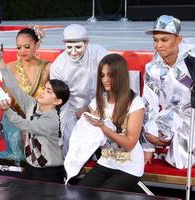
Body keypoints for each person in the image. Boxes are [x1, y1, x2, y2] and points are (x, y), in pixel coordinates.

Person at [0, 40, 70, 183]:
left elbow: (25, 125)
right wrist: (0, 60)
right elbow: (14, 86)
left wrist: (7, 110)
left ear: (57, 101)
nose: (43, 92)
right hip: (32, 167)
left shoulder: (52, 120)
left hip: (50, 172)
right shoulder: (32, 105)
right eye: (45, 88)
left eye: (49, 91)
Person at [69, 53, 144, 191]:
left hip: (129, 167)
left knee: (104, 196)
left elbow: (129, 144)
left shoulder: (135, 102)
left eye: (110, 75)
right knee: (79, 193)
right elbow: (88, 121)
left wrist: (103, 127)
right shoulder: (99, 101)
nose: (105, 80)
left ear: (120, 75)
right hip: (105, 162)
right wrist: (83, 114)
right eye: (102, 75)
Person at [142, 15, 195, 169]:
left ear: (178, 39)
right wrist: (148, 146)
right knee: (150, 132)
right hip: (172, 117)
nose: (159, 45)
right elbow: (148, 104)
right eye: (155, 40)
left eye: (164, 40)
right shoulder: (152, 69)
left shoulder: (192, 59)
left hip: (193, 116)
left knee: (180, 163)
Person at [0, 25, 51, 163]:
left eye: (26, 46)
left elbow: (53, 99)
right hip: (16, 120)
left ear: (37, 45)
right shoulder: (10, 67)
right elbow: (6, 96)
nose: (22, 51)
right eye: (19, 48)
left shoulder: (48, 68)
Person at [50, 24, 108, 156]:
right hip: (72, 110)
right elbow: (60, 98)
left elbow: (112, 81)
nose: (73, 52)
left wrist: (92, 108)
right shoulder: (58, 66)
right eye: (69, 47)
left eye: (78, 47)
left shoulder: (98, 53)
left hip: (101, 105)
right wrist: (73, 116)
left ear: (87, 43)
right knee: (69, 140)